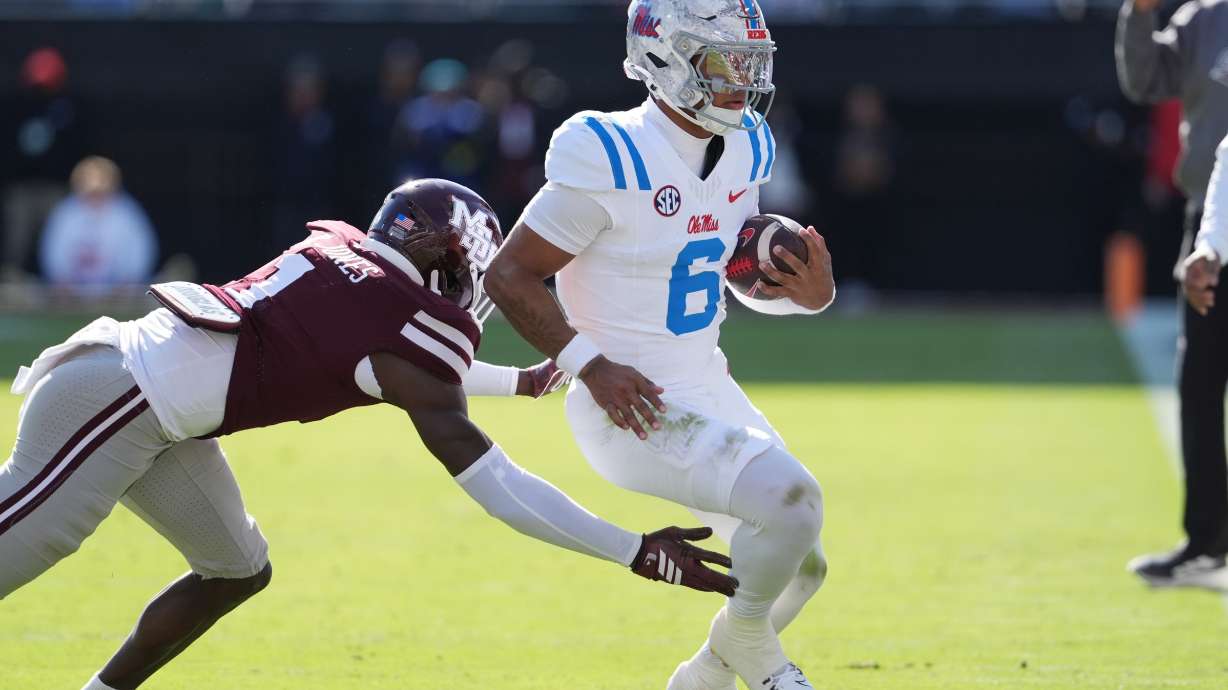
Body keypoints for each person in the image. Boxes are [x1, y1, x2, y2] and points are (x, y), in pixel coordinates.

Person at [0, 178, 738, 690]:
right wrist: (633, 549)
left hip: (154, 406)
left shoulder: (346, 265)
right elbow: (498, 485)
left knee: (236, 569)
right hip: (117, 400)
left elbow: (383, 365)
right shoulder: (396, 329)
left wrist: (516, 382)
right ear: (446, 262)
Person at [484, 2, 835, 688]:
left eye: (749, 63)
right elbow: (509, 275)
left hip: (705, 382)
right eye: (722, 62)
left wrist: (807, 294)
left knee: (804, 566)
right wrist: (590, 367)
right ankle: (762, 662)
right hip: (628, 403)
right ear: (665, 59)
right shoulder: (610, 151)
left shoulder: (746, 144)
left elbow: (722, 275)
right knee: (792, 501)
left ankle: (702, 678)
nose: (740, 80)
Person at [1116, 0, 1228, 588]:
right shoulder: (1204, 19)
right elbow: (1145, 81)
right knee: (1200, 382)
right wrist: (1139, 14)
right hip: (1212, 216)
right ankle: (1207, 541)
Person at [39, 156, 158, 295]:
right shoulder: (65, 212)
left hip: (119, 296)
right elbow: (53, 255)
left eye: (101, 188)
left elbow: (140, 255)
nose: (95, 193)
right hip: (72, 296)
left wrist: (129, 282)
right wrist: (61, 280)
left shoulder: (128, 213)